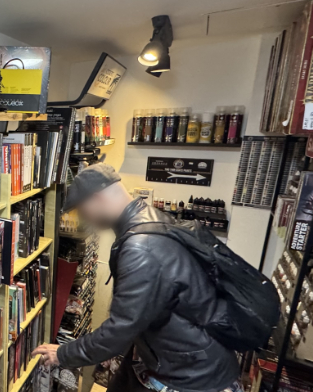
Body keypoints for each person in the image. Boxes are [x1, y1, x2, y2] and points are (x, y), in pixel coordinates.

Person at [32, 163, 241, 392]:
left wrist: (62, 353)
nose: (84, 220)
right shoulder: (150, 218)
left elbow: (119, 330)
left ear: (97, 197)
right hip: (184, 360)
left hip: (192, 376)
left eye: (82, 211)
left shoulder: (141, 248)